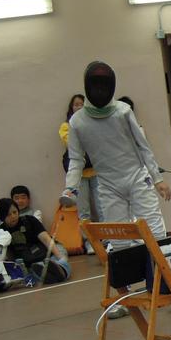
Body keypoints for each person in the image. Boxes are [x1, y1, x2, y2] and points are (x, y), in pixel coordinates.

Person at [62, 61, 171, 318]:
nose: (100, 89)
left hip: (137, 177)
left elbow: (143, 146)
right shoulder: (77, 121)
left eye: (104, 84)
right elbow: (76, 160)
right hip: (108, 184)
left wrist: (157, 179)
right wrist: (70, 189)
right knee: (119, 241)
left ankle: (169, 288)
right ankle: (125, 298)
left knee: (155, 233)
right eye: (96, 85)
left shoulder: (123, 111)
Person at [59, 93, 102, 254]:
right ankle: (89, 242)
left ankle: (108, 240)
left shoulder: (94, 123)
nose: (79, 107)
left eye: (82, 104)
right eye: (76, 104)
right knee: (84, 211)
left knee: (102, 207)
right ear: (71, 108)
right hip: (80, 176)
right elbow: (71, 143)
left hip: (96, 171)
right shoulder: (66, 126)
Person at [0, 198, 70, 284]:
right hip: (31, 261)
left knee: (60, 262)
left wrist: (60, 257)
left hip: (51, 250)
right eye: (8, 215)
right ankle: (47, 273)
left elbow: (46, 239)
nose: (13, 216)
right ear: (2, 217)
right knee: (35, 269)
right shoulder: (1, 231)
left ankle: (61, 271)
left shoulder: (30, 220)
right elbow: (7, 254)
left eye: (15, 212)